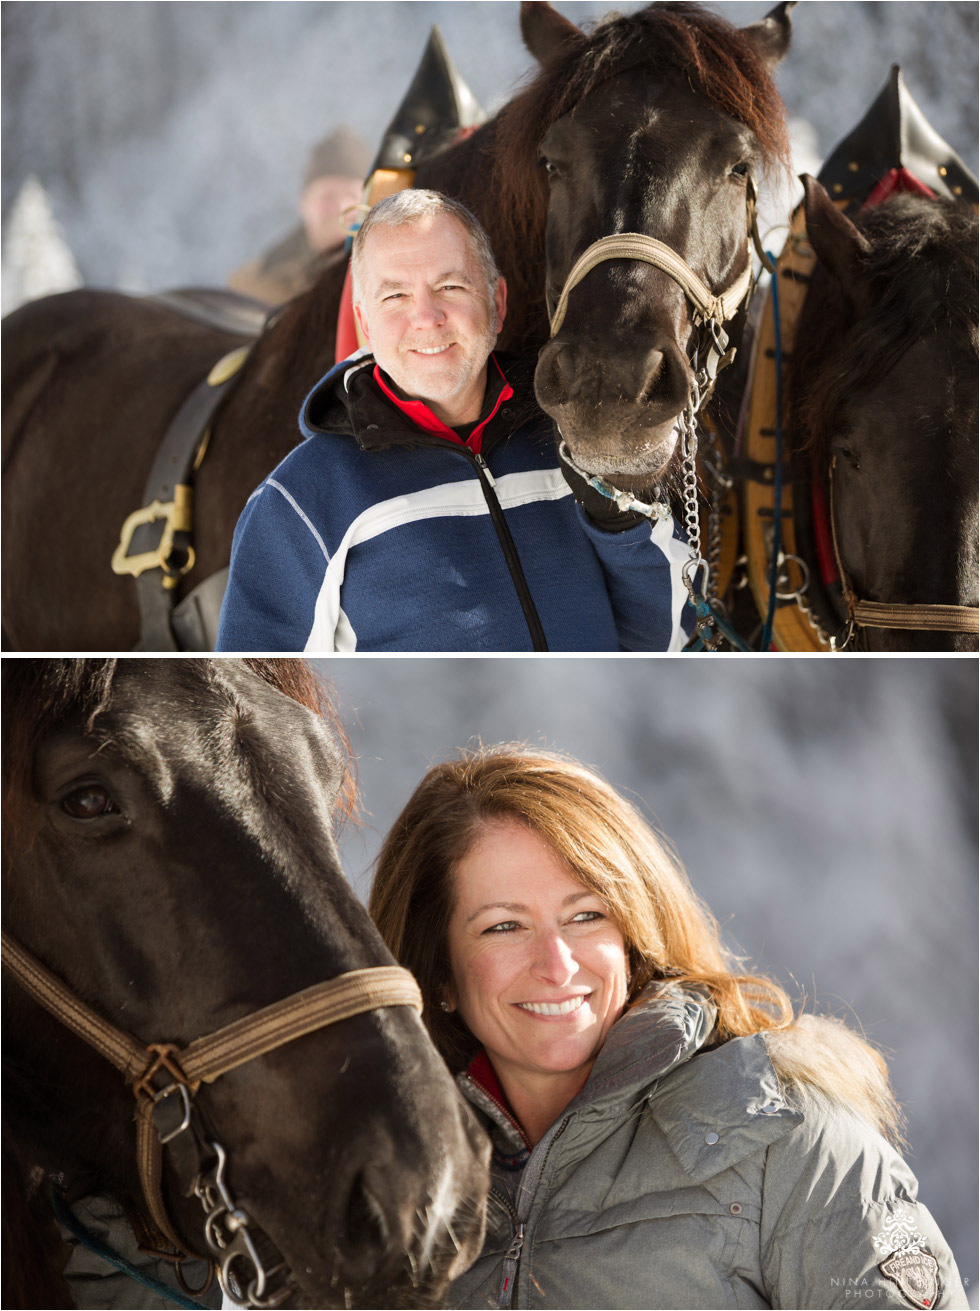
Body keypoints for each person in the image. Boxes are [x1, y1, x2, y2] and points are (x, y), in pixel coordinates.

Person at [369, 746, 968, 1310]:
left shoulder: (786, 1140)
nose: (557, 965)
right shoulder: (384, 1180)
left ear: (632, 940)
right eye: (503, 926)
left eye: (586, 916)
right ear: (439, 974)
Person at [215, 190, 695, 652]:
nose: (426, 318)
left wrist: (618, 525)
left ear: (498, 303)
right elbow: (264, 689)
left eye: (450, 286)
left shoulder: (573, 435)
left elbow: (674, 636)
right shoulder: (302, 501)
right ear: (365, 321)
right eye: (395, 296)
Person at [228, 126, 370, 305]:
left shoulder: (391, 269)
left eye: (351, 195)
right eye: (328, 196)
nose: (342, 207)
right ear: (304, 204)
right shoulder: (253, 286)